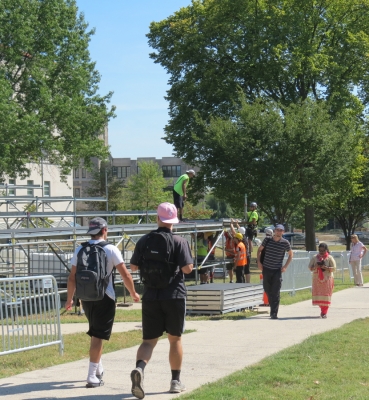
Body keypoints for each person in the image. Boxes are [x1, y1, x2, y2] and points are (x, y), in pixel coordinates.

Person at [65, 217, 140, 388]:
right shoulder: (111, 249)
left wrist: (70, 299)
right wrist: (133, 293)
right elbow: (125, 275)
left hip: (86, 297)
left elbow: (72, 277)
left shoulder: (80, 249)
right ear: (105, 230)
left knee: (95, 332)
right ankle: (92, 376)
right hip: (105, 297)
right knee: (98, 336)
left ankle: (98, 369)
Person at [129, 202, 193, 398]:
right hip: (174, 296)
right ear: (174, 221)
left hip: (150, 296)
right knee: (175, 340)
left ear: (157, 218)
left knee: (148, 341)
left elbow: (133, 267)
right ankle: (175, 381)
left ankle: (140, 369)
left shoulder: (144, 240)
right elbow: (187, 269)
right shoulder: (179, 241)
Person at [257, 224, 293, 319]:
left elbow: (290, 255)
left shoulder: (285, 243)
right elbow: (259, 250)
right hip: (266, 268)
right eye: (277, 230)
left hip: (277, 270)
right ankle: (272, 305)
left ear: (283, 232)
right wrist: (259, 263)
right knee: (267, 289)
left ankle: (274, 313)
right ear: (275, 231)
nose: (279, 232)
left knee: (276, 291)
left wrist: (285, 266)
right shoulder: (267, 240)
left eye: (281, 230)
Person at [308, 243, 336, 318]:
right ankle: (322, 310)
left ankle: (324, 312)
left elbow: (334, 268)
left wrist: (326, 267)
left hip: (327, 279)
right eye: (320, 250)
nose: (321, 252)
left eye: (323, 250)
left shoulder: (329, 258)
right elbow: (310, 267)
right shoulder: (315, 258)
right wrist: (316, 266)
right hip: (317, 279)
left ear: (326, 250)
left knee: (326, 296)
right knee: (319, 296)